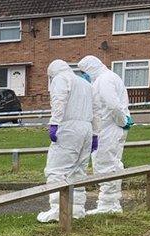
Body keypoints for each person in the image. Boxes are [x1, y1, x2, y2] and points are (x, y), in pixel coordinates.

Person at [38, 60, 100, 223]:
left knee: (56, 170)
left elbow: (59, 102)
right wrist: (95, 133)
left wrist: (55, 122)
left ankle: (59, 210)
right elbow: (96, 109)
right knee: (78, 170)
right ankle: (77, 209)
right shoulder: (85, 83)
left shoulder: (61, 79)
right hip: (86, 128)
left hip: (68, 127)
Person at [78, 55, 134, 215]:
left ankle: (109, 205)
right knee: (112, 164)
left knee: (106, 165)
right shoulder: (107, 78)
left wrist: (122, 121)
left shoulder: (104, 80)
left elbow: (113, 105)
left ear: (90, 68)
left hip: (109, 128)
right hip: (109, 127)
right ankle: (110, 203)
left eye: (84, 72)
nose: (84, 76)